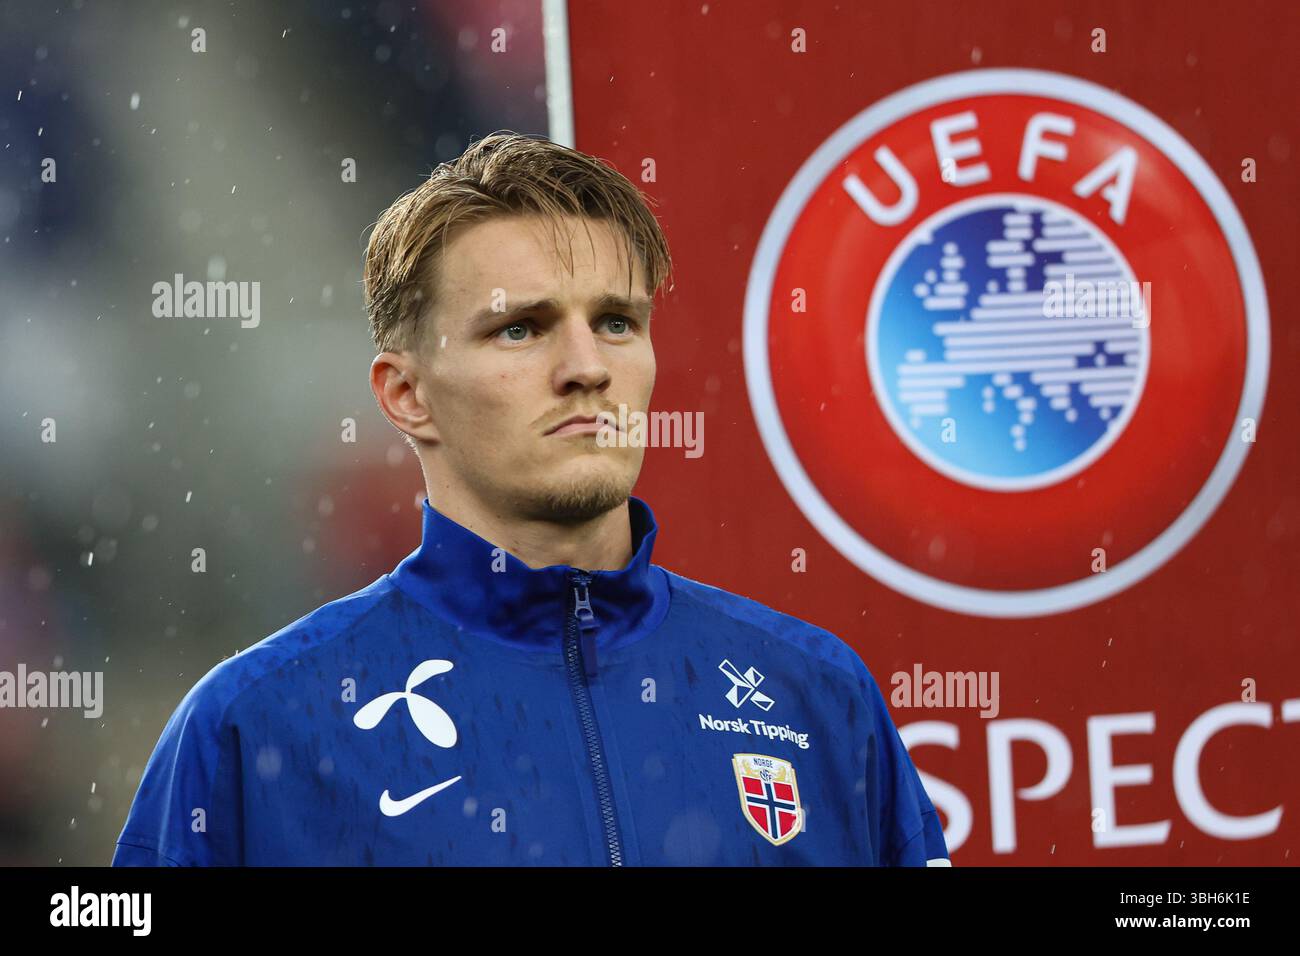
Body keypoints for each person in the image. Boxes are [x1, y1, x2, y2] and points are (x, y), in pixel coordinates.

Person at [112, 131, 950, 866]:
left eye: (617, 322)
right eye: (521, 327)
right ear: (407, 395)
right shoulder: (257, 724)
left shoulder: (818, 695)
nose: (588, 367)